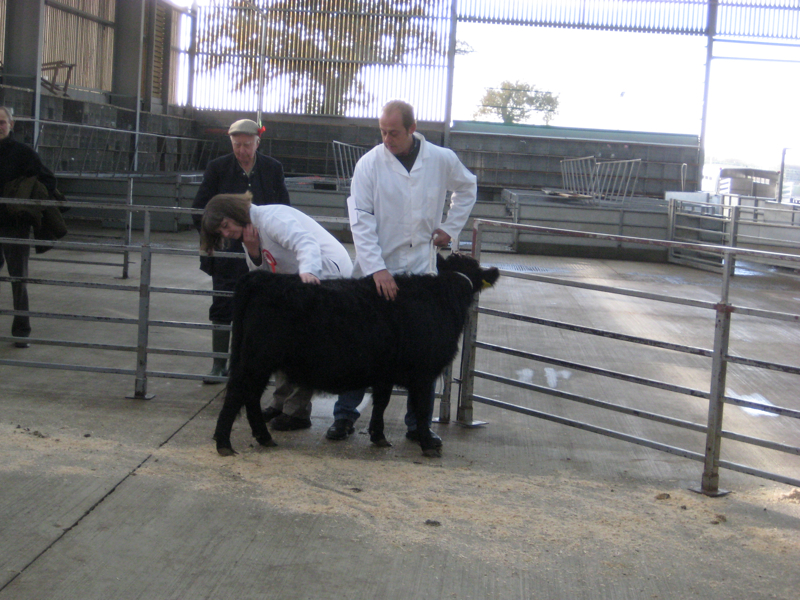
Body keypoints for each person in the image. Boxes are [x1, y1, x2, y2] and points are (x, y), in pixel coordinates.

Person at [325, 99, 477, 444]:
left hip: (421, 273)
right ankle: (345, 415)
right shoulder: (369, 165)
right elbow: (360, 220)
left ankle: (417, 423)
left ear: (412, 128)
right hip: (376, 272)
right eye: (382, 131)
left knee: (421, 350)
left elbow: (468, 187)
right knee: (361, 346)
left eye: (393, 132)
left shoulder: (440, 159)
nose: (387, 139)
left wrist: (451, 227)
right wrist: (377, 269)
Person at [200, 192, 353, 430]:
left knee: (303, 346)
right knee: (281, 341)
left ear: (234, 213)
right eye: (222, 232)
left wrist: (309, 274)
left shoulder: (272, 218)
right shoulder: (250, 233)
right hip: (296, 283)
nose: (226, 234)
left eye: (225, 226)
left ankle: (297, 411)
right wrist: (253, 251)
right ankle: (280, 403)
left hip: (325, 275)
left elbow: (306, 243)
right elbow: (261, 272)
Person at [192, 119, 290, 383]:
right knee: (223, 301)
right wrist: (215, 239)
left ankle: (249, 366)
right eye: (237, 145)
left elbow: (284, 208)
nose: (242, 151)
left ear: (258, 143)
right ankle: (218, 365)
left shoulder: (272, 168)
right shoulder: (218, 168)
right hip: (227, 253)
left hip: (263, 251)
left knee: (260, 308)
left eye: (247, 145)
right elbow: (199, 208)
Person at [0, 106, 61, 348]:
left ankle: (21, 330)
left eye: (2, 122)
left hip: (15, 226)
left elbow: (48, 179)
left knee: (19, 279)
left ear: (11, 125)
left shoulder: (23, 154)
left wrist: (26, 201)